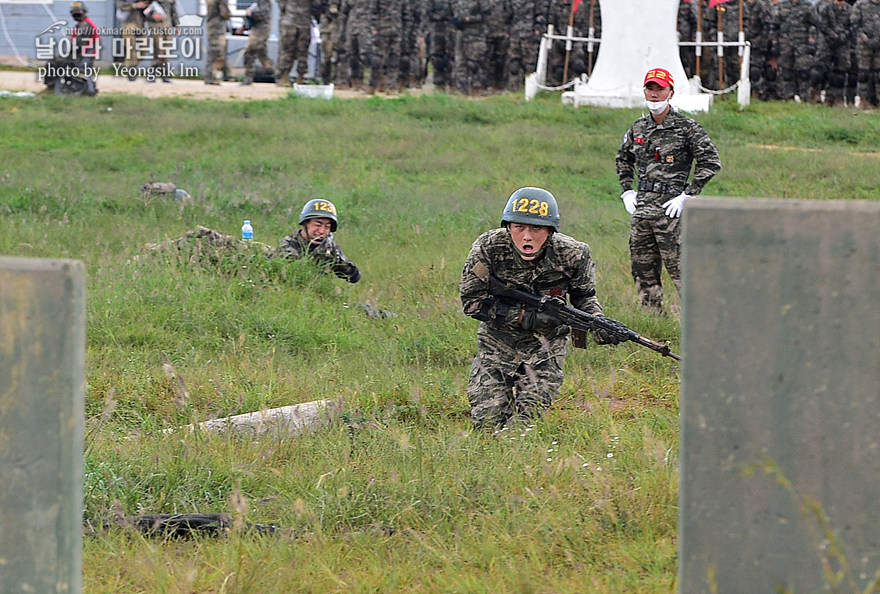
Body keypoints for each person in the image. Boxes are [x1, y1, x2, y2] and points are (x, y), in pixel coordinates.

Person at [459, 187, 620, 428]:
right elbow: (471, 301)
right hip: (498, 341)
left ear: (550, 231)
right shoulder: (488, 248)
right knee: (487, 422)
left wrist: (597, 319)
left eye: (537, 228)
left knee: (524, 423)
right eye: (519, 227)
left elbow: (584, 296)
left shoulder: (573, 254)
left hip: (547, 346)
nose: (527, 237)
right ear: (508, 227)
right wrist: (526, 318)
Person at [616, 67, 721, 314]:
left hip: (670, 210)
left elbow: (711, 162)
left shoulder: (687, 127)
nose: (654, 94)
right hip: (642, 209)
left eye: (660, 89)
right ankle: (653, 319)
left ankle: (700, 317)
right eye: (650, 88)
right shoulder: (638, 127)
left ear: (671, 92)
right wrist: (626, 191)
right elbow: (623, 158)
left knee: (681, 269)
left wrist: (688, 195)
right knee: (643, 268)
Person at [275, 199, 362, 283]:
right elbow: (299, 273)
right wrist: (319, 255)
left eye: (327, 227)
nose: (321, 231)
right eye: (318, 225)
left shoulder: (328, 246)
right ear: (305, 223)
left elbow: (354, 277)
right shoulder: (288, 245)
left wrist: (336, 258)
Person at [238, 0, 275, 85]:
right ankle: (278, 75)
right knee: (263, 56)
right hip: (258, 30)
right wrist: (244, 27)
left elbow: (261, 15)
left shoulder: (264, 2)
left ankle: (248, 78)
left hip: (261, 31)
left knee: (250, 53)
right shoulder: (258, 3)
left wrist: (250, 13)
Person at [69, 1, 100, 95]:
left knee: (84, 71)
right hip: (85, 52)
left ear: (84, 12)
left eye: (78, 11)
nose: (76, 13)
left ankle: (90, 91)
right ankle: (88, 90)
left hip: (87, 52)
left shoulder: (85, 25)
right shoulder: (81, 24)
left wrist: (70, 54)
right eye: (74, 12)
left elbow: (79, 43)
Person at [204, 0, 231, 84]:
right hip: (218, 28)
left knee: (212, 53)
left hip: (211, 27)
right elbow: (225, 13)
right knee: (217, 53)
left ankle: (209, 76)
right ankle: (211, 76)